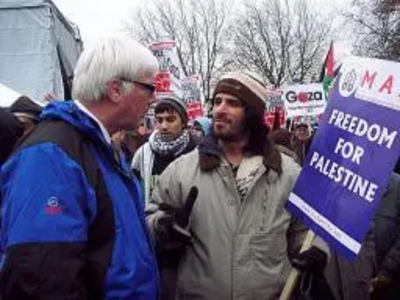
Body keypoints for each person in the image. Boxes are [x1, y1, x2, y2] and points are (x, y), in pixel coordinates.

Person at [0, 36, 159, 299]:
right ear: (116, 90)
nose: (154, 100)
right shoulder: (51, 157)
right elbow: (39, 280)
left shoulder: (99, 148)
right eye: (149, 88)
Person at [147, 71, 328, 299]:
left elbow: (307, 230)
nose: (220, 109)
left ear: (252, 113)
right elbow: (150, 219)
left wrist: (317, 252)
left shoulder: (289, 173)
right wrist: (163, 226)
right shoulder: (180, 171)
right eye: (217, 101)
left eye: (232, 103)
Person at [325, 172, 400, 300]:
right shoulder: (341, 177)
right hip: (337, 277)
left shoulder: (397, 186)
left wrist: (386, 273)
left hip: (379, 282)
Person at [132, 95, 198, 205]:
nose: (164, 126)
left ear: (183, 122)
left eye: (170, 120)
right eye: (159, 120)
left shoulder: (196, 150)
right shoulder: (143, 153)